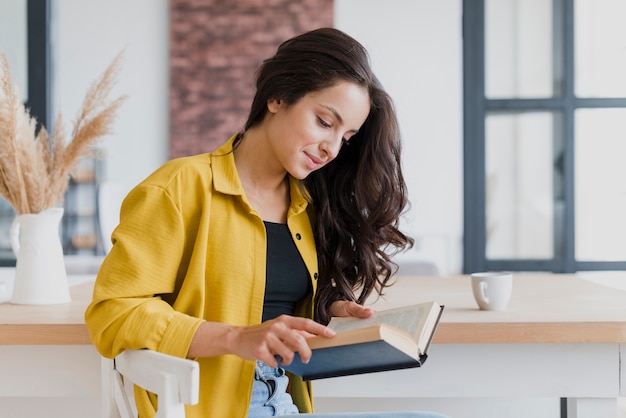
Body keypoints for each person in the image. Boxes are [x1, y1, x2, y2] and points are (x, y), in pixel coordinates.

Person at [85, 28, 449, 418]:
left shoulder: (307, 204)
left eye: (346, 137)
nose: (332, 148)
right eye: (325, 122)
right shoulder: (177, 189)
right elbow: (114, 313)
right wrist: (236, 338)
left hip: (282, 404)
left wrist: (325, 313)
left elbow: (261, 305)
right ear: (277, 97)